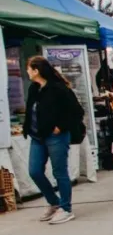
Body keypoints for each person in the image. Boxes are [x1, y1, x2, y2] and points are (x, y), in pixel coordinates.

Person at [24, 56, 84, 224]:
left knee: (60, 172)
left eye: (29, 68)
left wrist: (61, 127)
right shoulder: (33, 88)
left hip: (56, 136)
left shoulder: (58, 89)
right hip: (37, 136)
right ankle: (54, 202)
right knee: (34, 171)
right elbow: (31, 110)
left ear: (36, 71)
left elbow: (77, 111)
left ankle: (66, 208)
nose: (27, 72)